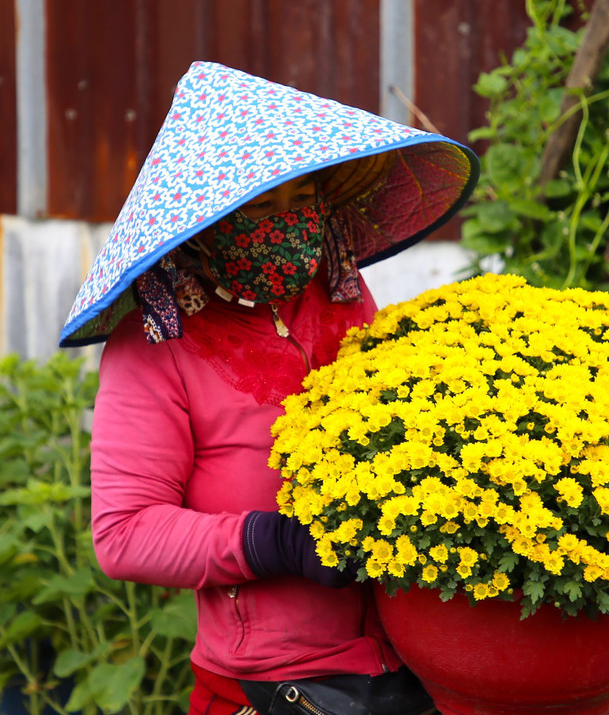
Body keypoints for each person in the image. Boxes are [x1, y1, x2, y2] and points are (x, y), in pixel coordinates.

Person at [58, 62, 477, 715]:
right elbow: (125, 535)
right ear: (208, 222)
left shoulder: (339, 293)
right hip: (268, 687)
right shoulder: (155, 345)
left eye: (300, 199)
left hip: (407, 664)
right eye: (259, 207)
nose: (286, 225)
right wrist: (273, 543)